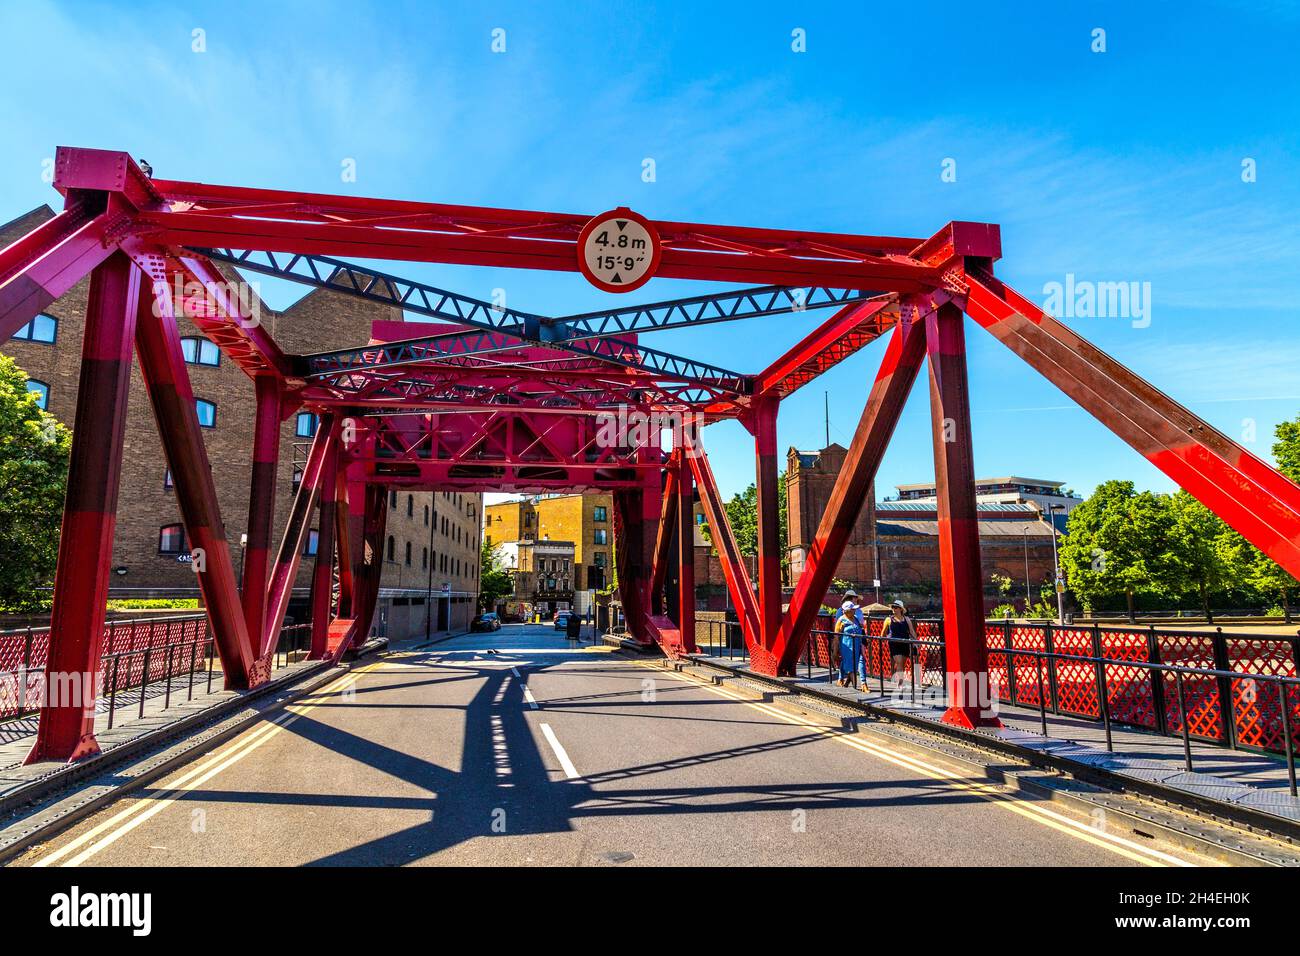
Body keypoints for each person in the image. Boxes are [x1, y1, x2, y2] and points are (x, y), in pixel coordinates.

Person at [883, 599, 918, 690]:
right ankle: (900, 683)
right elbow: (883, 632)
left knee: (902, 664)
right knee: (899, 662)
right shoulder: (888, 619)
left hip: (905, 643)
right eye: (893, 607)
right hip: (894, 643)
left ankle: (899, 677)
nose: (894, 609)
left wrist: (916, 642)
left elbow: (912, 631)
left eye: (896, 607)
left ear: (901, 609)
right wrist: (882, 640)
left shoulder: (906, 619)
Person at [833, 600, 864, 687]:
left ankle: (845, 683)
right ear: (847, 611)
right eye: (853, 609)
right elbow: (836, 637)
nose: (855, 611)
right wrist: (835, 651)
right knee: (851, 667)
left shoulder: (856, 619)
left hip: (857, 646)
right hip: (846, 647)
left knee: (854, 666)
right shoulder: (841, 620)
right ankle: (856, 686)